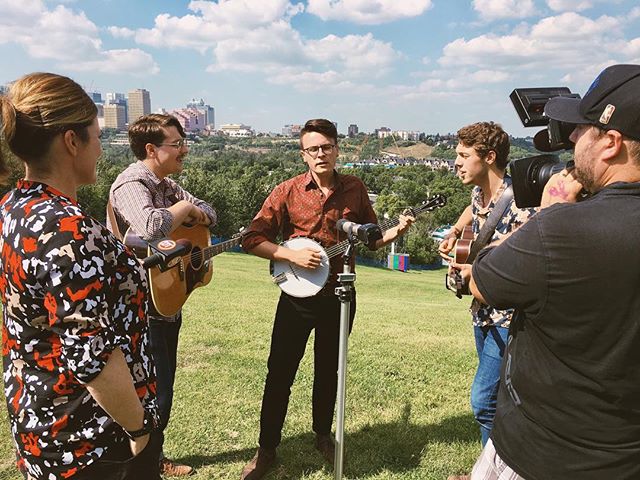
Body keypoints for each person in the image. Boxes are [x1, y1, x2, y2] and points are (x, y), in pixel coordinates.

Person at [457, 64, 640, 479]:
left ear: (611, 143)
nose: (573, 139)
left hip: (543, 454)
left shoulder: (560, 229)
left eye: (582, 130)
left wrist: (549, 212)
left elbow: (482, 281)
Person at [0, 73, 160, 479]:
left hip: (39, 419)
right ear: (72, 141)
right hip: (92, 441)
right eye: (97, 136)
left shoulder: (14, 209)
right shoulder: (66, 230)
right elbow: (93, 358)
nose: (102, 149)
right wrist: (139, 429)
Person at [240, 118, 414, 479]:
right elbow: (252, 239)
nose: (321, 154)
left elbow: (370, 238)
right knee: (280, 373)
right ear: (303, 154)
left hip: (340, 295)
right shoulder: (286, 191)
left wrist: (395, 231)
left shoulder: (355, 188)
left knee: (329, 371)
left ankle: (322, 435)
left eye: (327, 147)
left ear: (337, 150)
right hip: (297, 297)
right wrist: (290, 256)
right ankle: (266, 449)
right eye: (313, 149)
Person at [107, 113, 217, 477]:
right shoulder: (131, 184)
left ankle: (153, 458)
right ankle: (141, 464)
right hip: (138, 307)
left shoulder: (167, 185)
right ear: (151, 149)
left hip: (168, 295)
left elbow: (212, 214)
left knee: (162, 387)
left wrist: (194, 215)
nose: (184, 150)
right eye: (177, 144)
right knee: (151, 389)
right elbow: (151, 226)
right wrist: (186, 210)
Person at [438, 122, 536, 480]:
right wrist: (454, 232)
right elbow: (473, 212)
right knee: (497, 400)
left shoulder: (522, 203)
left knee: (484, 401)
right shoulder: (481, 194)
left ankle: (491, 474)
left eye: (464, 156)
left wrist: (477, 263)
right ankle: (491, 469)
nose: (457, 163)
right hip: (482, 311)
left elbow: (524, 257)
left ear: (489, 157)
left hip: (507, 318)